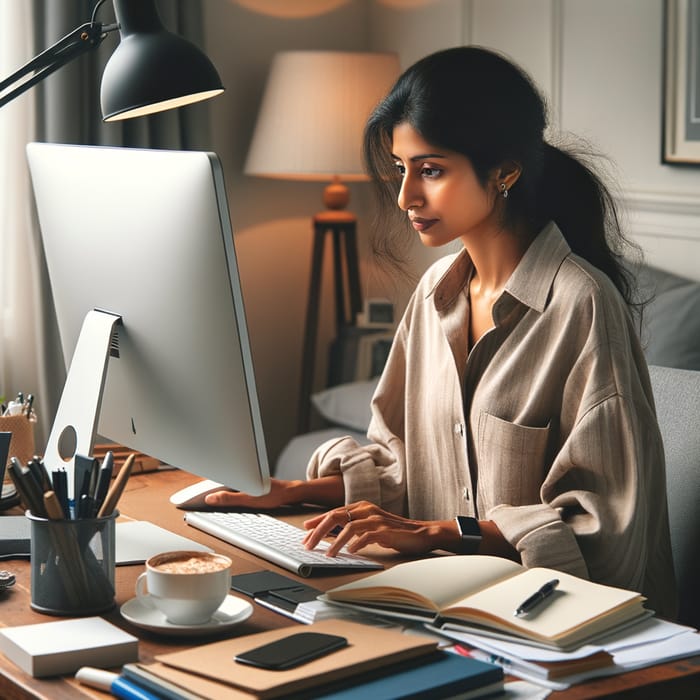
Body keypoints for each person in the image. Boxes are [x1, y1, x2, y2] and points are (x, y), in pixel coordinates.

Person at [207, 46, 678, 619]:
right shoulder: (434, 295)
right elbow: (401, 464)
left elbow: (604, 528)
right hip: (443, 605)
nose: (406, 197)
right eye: (401, 169)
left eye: (430, 170)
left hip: (565, 631)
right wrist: (292, 492)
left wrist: (440, 533)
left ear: (504, 170)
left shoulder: (583, 304)